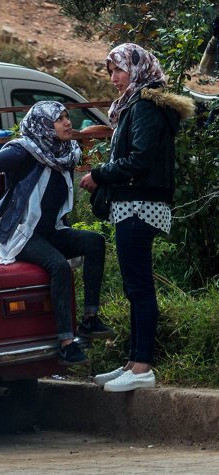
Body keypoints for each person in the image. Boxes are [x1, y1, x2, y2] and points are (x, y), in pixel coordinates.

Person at [80, 43, 194, 392]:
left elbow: (139, 160)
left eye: (119, 69)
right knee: (135, 286)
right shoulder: (137, 105)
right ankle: (132, 361)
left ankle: (142, 367)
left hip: (138, 204)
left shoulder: (144, 107)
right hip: (135, 203)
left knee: (139, 288)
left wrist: (99, 174)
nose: (114, 77)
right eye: (110, 71)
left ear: (138, 69)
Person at [0, 101, 115, 366]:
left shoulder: (66, 152)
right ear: (43, 125)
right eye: (59, 119)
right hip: (22, 234)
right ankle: (66, 342)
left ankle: (90, 319)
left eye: (66, 117)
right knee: (59, 266)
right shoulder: (23, 152)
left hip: (51, 231)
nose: (67, 122)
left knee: (95, 242)